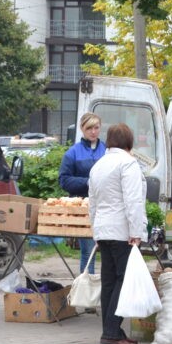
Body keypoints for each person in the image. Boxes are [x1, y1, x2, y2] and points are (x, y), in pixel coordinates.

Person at [87, 123, 147, 344]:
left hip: (103, 229)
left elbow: (92, 202)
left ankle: (110, 331)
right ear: (129, 142)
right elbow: (133, 200)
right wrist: (136, 232)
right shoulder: (128, 163)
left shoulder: (98, 165)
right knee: (124, 279)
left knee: (109, 280)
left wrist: (95, 230)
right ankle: (112, 331)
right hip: (122, 230)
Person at [59, 112, 106, 275]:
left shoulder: (107, 151)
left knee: (107, 253)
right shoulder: (72, 153)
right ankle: (86, 291)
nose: (93, 132)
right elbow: (63, 181)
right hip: (82, 208)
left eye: (96, 127)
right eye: (89, 128)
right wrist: (87, 182)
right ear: (82, 129)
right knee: (88, 251)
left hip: (105, 207)